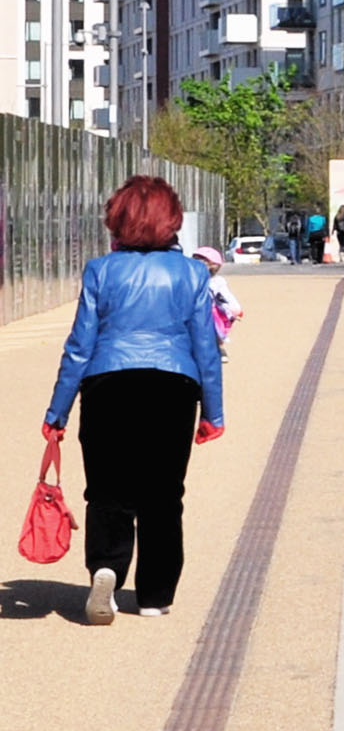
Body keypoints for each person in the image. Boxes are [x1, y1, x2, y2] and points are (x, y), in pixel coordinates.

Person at [47, 177, 226, 626]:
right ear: (172, 220)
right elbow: (206, 345)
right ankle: (154, 594)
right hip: (173, 385)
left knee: (107, 490)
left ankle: (106, 567)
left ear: (118, 220)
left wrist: (58, 412)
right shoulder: (191, 272)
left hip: (109, 383)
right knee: (165, 494)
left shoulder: (101, 271)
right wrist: (213, 412)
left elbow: (79, 346)